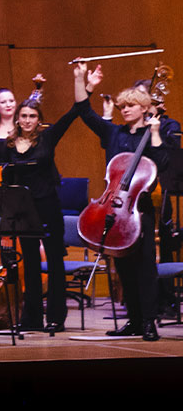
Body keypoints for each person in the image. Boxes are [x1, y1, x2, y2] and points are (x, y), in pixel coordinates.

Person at [71, 62, 178, 341]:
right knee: (123, 269)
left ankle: (149, 322)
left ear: (145, 108)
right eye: (123, 106)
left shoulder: (152, 134)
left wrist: (154, 134)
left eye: (131, 105)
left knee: (144, 268)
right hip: (114, 209)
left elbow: (163, 163)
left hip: (140, 211)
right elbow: (84, 111)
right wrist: (82, 79)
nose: (125, 110)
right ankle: (133, 319)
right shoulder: (114, 134)